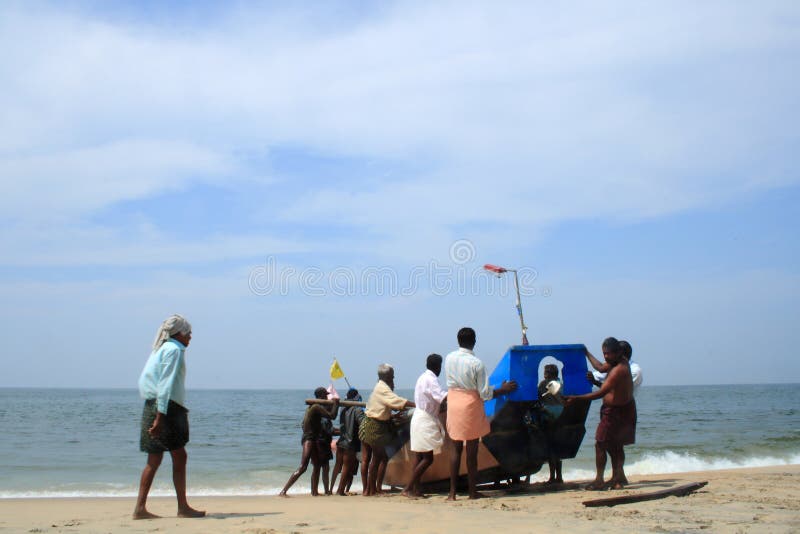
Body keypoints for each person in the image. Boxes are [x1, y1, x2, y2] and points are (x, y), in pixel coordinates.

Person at [134, 314, 205, 520]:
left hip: (153, 405)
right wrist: (160, 417)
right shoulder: (174, 350)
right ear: (180, 333)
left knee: (154, 459)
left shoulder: (160, 348)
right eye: (189, 333)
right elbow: (165, 384)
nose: (190, 337)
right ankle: (182, 507)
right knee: (179, 456)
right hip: (166, 408)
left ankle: (140, 508)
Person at [444, 327, 517, 500]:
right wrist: (503, 389)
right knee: (471, 451)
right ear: (474, 341)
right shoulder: (477, 363)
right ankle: (472, 492)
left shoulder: (449, 358)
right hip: (470, 405)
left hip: (453, 402)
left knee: (455, 450)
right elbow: (484, 393)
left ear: (458, 340)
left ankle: (452, 493)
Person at [567, 337, 636, 490]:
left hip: (617, 411)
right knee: (615, 445)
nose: (605, 357)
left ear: (618, 353)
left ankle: (600, 480)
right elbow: (600, 367)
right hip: (620, 408)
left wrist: (576, 398)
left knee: (601, 444)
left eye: (608, 354)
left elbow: (601, 392)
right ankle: (618, 478)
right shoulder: (616, 361)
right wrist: (586, 352)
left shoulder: (619, 370)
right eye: (604, 353)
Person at [359, 364, 414, 496]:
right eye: (392, 376)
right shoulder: (383, 388)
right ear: (388, 376)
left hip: (368, 424)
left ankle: (370, 489)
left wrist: (391, 415)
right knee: (377, 458)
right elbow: (396, 400)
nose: (394, 378)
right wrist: (417, 404)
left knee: (372, 458)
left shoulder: (380, 387)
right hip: (374, 427)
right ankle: (370, 490)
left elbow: (384, 406)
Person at [402, 354, 447, 498]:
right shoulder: (432, 379)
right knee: (428, 458)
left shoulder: (422, 377)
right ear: (437, 367)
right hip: (425, 420)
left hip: (418, 418)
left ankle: (416, 489)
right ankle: (408, 488)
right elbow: (441, 396)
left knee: (419, 457)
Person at [280, 387, 339, 496]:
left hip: (313, 438)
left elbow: (303, 424)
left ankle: (314, 492)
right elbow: (332, 416)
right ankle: (283, 491)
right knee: (303, 467)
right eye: (325, 395)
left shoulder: (312, 408)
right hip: (309, 439)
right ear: (321, 396)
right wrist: (336, 403)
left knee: (317, 466)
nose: (327, 397)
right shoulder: (316, 407)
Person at [333, 388, 364, 496]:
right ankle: (340, 490)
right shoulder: (358, 410)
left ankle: (331, 488)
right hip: (351, 443)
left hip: (341, 441)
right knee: (346, 466)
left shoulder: (343, 409)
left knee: (338, 466)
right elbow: (362, 424)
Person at [537, 364, 564, 484]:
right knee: (557, 448)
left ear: (548, 373)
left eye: (545, 372)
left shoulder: (545, 384)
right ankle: (559, 477)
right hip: (561, 416)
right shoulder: (561, 384)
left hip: (549, 416)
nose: (544, 374)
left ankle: (552, 477)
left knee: (550, 448)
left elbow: (537, 397)